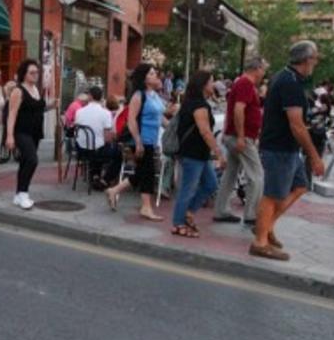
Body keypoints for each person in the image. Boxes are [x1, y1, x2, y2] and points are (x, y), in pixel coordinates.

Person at [250, 41, 325, 261]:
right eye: (315, 58)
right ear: (306, 59)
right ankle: (260, 242)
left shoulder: (287, 78)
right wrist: (314, 155)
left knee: (300, 186)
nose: (316, 63)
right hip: (279, 146)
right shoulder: (289, 82)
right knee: (273, 194)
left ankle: (266, 226)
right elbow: (296, 124)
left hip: (286, 146)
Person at [105, 63, 167, 221]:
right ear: (145, 78)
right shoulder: (138, 95)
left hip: (152, 140)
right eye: (152, 73)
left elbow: (160, 117)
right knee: (148, 173)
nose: (155, 76)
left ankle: (114, 190)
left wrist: (173, 126)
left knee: (142, 173)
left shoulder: (154, 95)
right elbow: (131, 119)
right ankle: (146, 207)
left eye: (155, 73)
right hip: (140, 140)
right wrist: (138, 141)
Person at [170, 70, 225, 238]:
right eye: (211, 82)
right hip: (192, 153)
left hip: (200, 154)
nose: (213, 85)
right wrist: (219, 153)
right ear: (203, 85)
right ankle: (178, 223)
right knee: (188, 188)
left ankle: (188, 213)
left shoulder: (193, 102)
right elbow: (205, 131)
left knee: (211, 184)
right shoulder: (198, 105)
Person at [213, 57, 267, 225]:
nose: (264, 72)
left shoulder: (243, 84)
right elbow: (238, 110)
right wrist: (242, 136)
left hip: (235, 135)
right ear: (257, 68)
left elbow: (234, 108)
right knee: (257, 174)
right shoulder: (245, 83)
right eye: (263, 69)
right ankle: (252, 214)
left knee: (231, 173)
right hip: (240, 137)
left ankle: (221, 210)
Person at [6, 59, 47, 210]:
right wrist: (9, 136)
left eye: (37, 72)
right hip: (21, 131)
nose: (35, 75)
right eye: (32, 72)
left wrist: (51, 105)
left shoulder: (36, 89)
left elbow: (37, 109)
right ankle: (24, 192)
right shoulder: (18, 91)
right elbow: (12, 114)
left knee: (25, 162)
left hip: (35, 132)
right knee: (32, 160)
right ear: (24, 74)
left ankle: (18, 194)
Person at [74, 86, 122, 190]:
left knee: (97, 144)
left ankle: (95, 176)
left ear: (90, 96)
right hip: (96, 151)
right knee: (117, 153)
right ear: (101, 98)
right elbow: (108, 138)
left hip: (81, 150)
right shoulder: (106, 113)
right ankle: (105, 180)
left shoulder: (79, 112)